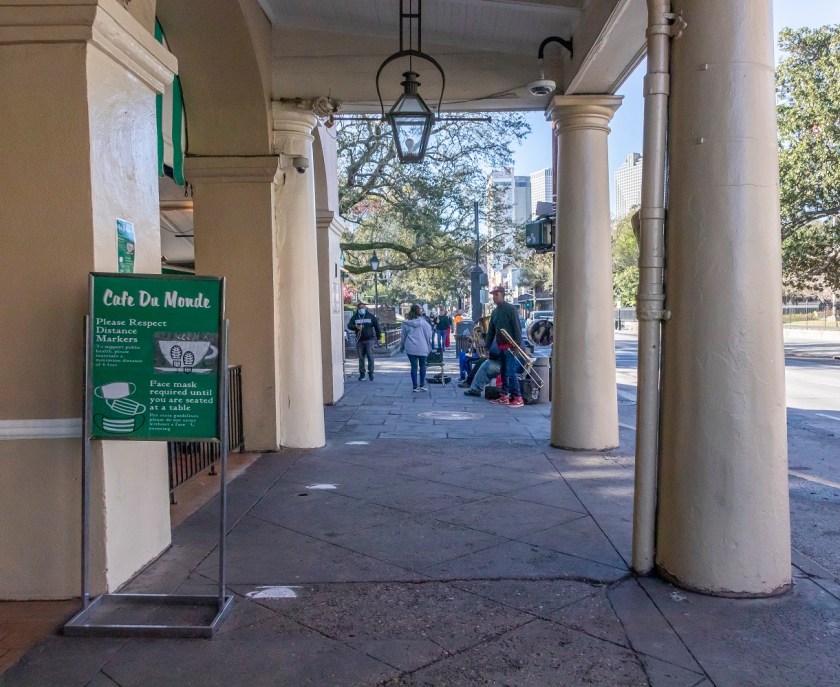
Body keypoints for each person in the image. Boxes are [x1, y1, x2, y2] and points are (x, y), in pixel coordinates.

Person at [484, 285, 524, 407]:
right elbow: (491, 331)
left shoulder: (510, 309)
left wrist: (517, 344)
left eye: (496, 295)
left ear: (502, 294)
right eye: (493, 295)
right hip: (501, 345)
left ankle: (517, 397)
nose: (494, 297)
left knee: (511, 372)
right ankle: (504, 396)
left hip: (510, 346)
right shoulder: (495, 312)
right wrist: (487, 346)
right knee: (504, 372)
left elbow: (517, 327)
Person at [399, 303, 433, 392]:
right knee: (423, 366)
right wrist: (429, 346)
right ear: (419, 312)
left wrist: (402, 346)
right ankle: (422, 384)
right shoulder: (424, 323)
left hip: (410, 347)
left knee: (413, 367)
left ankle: (415, 386)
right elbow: (428, 335)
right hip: (422, 347)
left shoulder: (406, 323)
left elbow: (403, 336)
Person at [347, 301, 381, 381]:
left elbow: (377, 327)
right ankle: (362, 374)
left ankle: (371, 373)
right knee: (361, 358)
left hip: (369, 339)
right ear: (357, 309)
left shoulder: (371, 316)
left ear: (365, 308)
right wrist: (356, 327)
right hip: (360, 340)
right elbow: (349, 326)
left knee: (370, 357)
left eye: (363, 307)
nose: (361, 309)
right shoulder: (355, 317)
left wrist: (378, 338)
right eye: (359, 308)